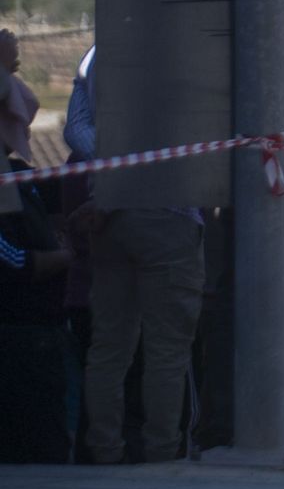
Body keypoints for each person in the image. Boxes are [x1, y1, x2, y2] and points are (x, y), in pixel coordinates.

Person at [66, 44, 206, 465]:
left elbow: (76, 131)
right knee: (167, 348)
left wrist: (114, 170)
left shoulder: (96, 55)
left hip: (108, 215)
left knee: (109, 346)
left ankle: (105, 452)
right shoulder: (186, 48)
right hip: (170, 211)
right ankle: (162, 457)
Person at [0, 28, 72, 464]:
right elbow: (10, 260)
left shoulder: (18, 179)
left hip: (38, 334)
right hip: (18, 335)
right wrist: (62, 258)